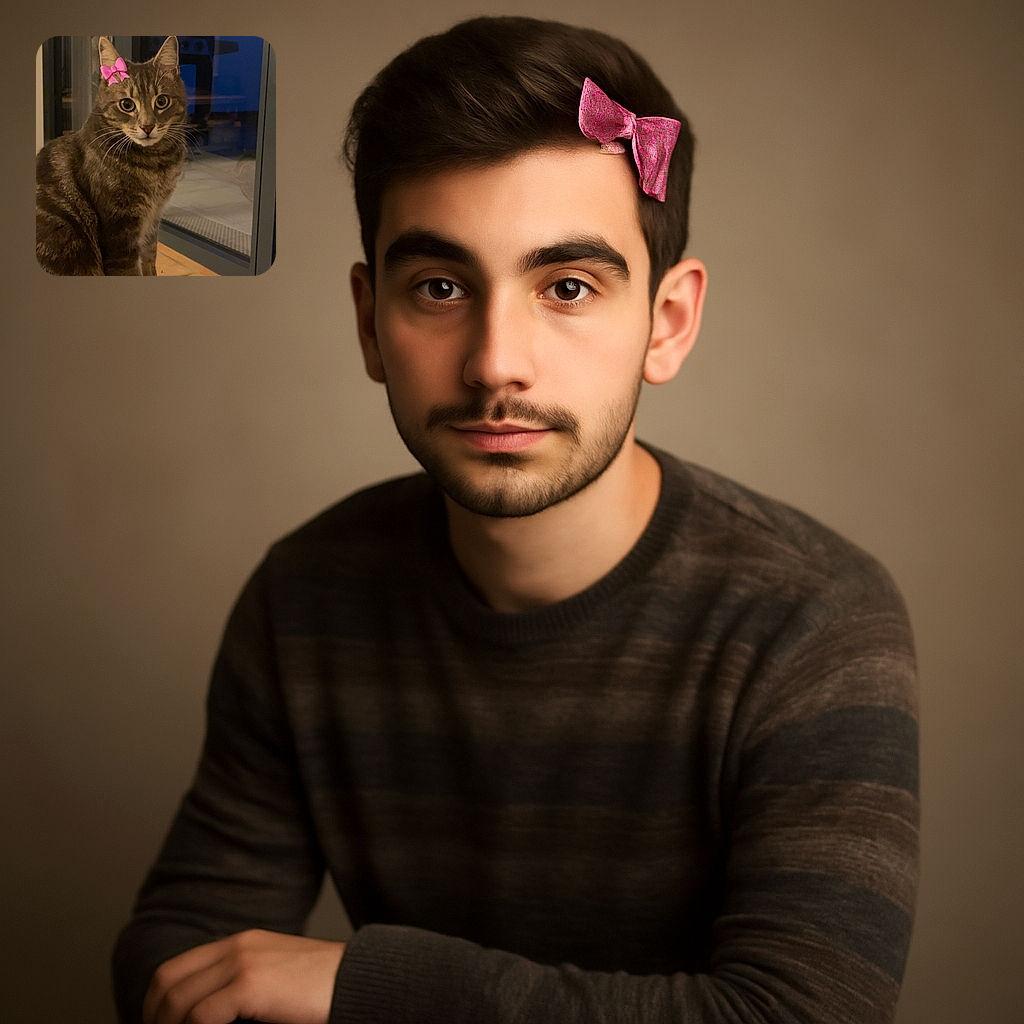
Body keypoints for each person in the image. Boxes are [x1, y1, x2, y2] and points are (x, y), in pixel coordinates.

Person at [113, 15, 919, 1024]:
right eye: (440, 287)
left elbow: (805, 1016)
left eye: (568, 287)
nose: (497, 360)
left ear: (665, 324)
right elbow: (185, 952)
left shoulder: (812, 619)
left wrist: (364, 984)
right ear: (370, 323)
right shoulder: (307, 596)